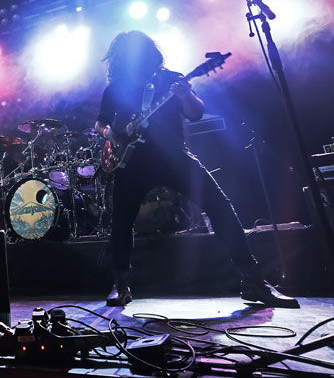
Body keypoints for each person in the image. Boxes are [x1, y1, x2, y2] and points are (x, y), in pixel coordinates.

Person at [94, 30, 298, 308]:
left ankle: (253, 281)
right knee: (121, 220)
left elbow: (195, 113)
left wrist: (186, 95)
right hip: (132, 162)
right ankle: (121, 285)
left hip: (173, 156)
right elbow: (100, 124)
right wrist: (110, 133)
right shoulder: (115, 90)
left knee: (219, 206)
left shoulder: (169, 79)